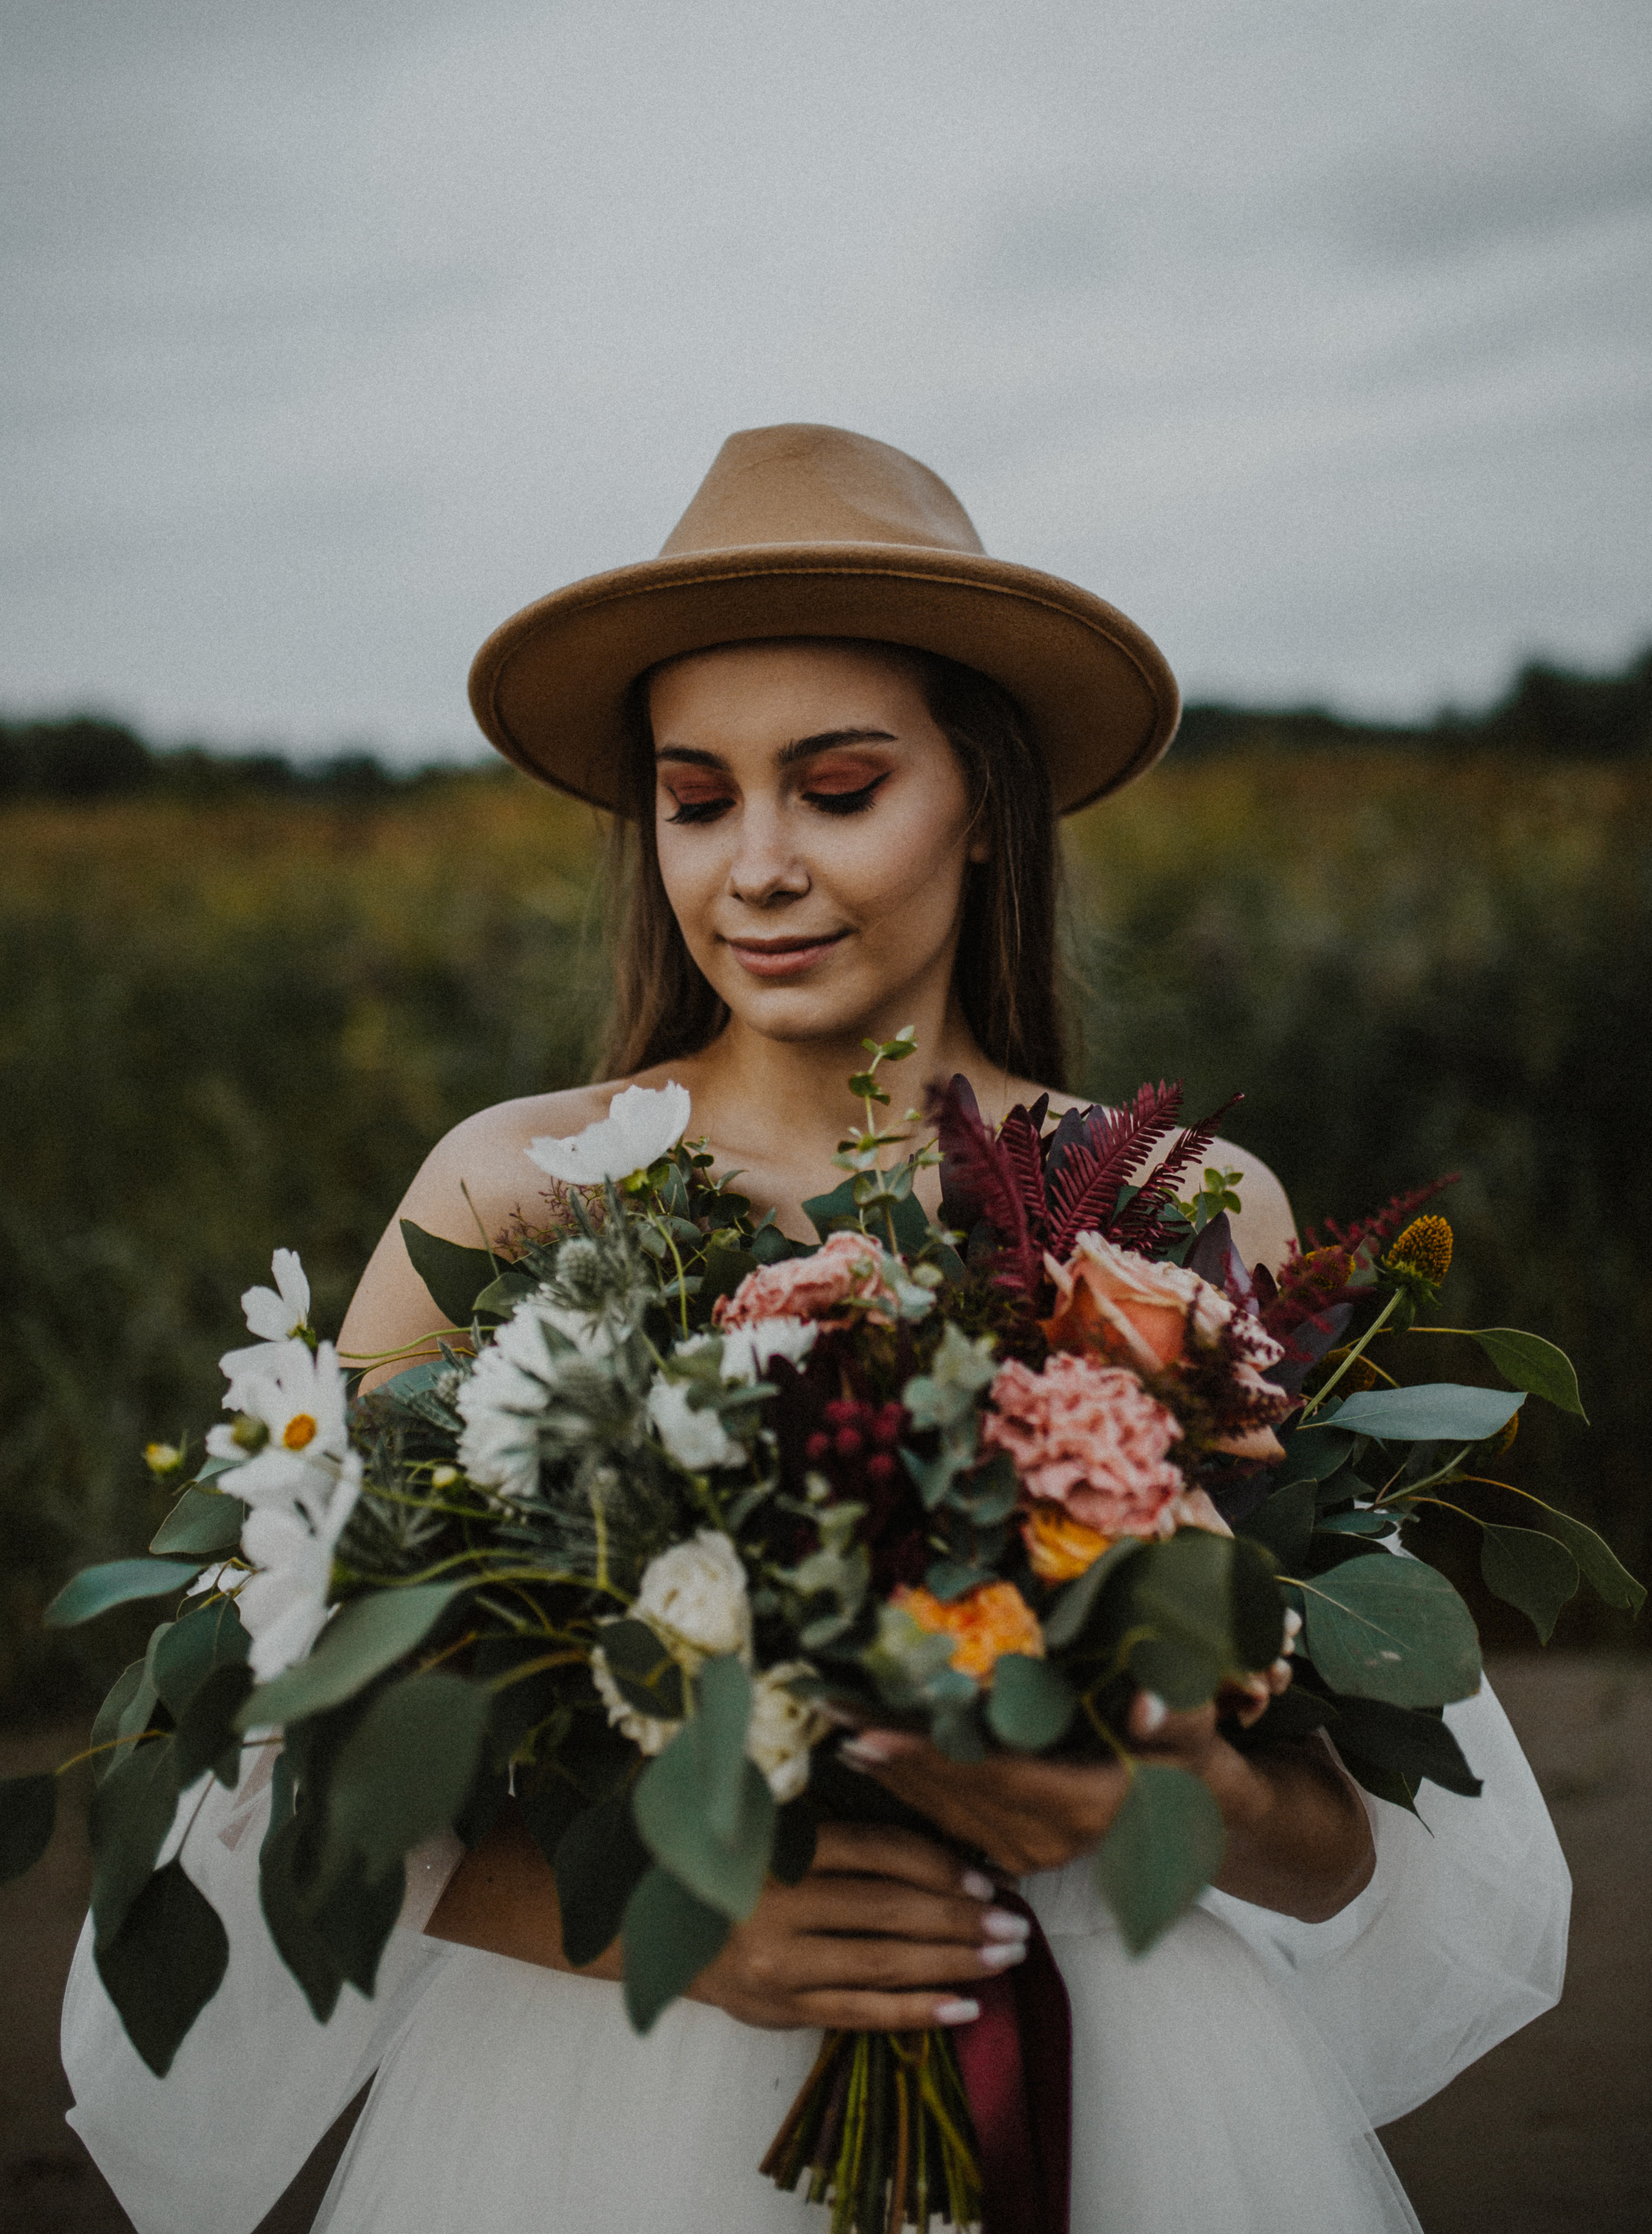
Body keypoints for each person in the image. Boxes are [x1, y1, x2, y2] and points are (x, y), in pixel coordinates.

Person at [62, 427, 1569, 2234]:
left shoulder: (1180, 1215)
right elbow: (284, 1767)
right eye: (699, 802)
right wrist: (680, 1913)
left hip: (1128, 2081)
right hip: (617, 2108)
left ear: (987, 802)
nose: (755, 866)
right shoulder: (516, 1196)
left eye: (838, 787)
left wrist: (1163, 1786)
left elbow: (1347, 1845)